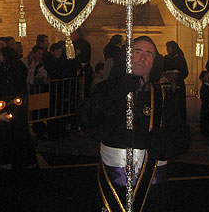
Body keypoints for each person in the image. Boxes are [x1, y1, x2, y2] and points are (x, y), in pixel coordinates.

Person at [78, 36, 189, 212]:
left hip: (151, 184)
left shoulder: (163, 96)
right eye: (137, 52)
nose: (142, 58)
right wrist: (119, 93)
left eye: (149, 54)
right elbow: (89, 120)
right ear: (127, 56)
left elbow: (181, 137)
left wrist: (151, 140)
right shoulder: (106, 89)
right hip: (114, 181)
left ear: (154, 62)